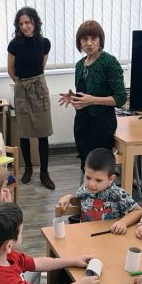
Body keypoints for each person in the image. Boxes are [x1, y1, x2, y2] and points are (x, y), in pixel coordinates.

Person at [58, 20, 126, 175]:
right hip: (82, 123)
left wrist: (92, 100)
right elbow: (85, 95)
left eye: (93, 38)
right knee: (85, 164)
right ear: (79, 43)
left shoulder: (109, 62)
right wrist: (74, 97)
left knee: (98, 167)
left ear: (100, 40)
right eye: (84, 39)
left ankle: (99, 197)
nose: (89, 43)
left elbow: (120, 98)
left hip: (101, 123)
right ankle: (87, 196)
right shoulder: (80, 65)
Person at [7, 7, 55, 189]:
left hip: (39, 88)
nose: (24, 27)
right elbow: (11, 70)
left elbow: (41, 68)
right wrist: (21, 85)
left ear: (35, 22)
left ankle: (44, 172)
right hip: (22, 89)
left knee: (43, 132)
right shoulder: (14, 44)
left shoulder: (44, 43)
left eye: (27, 22)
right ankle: (28, 168)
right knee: (24, 133)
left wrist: (34, 83)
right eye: (21, 24)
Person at [57, 148, 142, 232]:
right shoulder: (85, 188)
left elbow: (138, 211)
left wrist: (123, 222)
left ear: (111, 179)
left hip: (109, 235)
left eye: (98, 180)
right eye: (88, 177)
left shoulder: (118, 193)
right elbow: (81, 202)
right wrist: (70, 198)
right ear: (85, 171)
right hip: (86, 234)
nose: (91, 184)